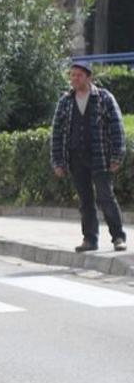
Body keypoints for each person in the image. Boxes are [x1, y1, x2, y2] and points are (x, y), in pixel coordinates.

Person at [51, 60, 127, 252]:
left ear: (88, 77)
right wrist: (58, 162)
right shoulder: (65, 102)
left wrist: (117, 157)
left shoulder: (104, 98)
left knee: (105, 196)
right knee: (85, 200)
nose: (74, 79)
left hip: (100, 156)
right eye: (72, 75)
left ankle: (118, 237)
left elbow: (117, 129)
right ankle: (90, 239)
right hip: (76, 157)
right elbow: (57, 134)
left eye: (79, 75)